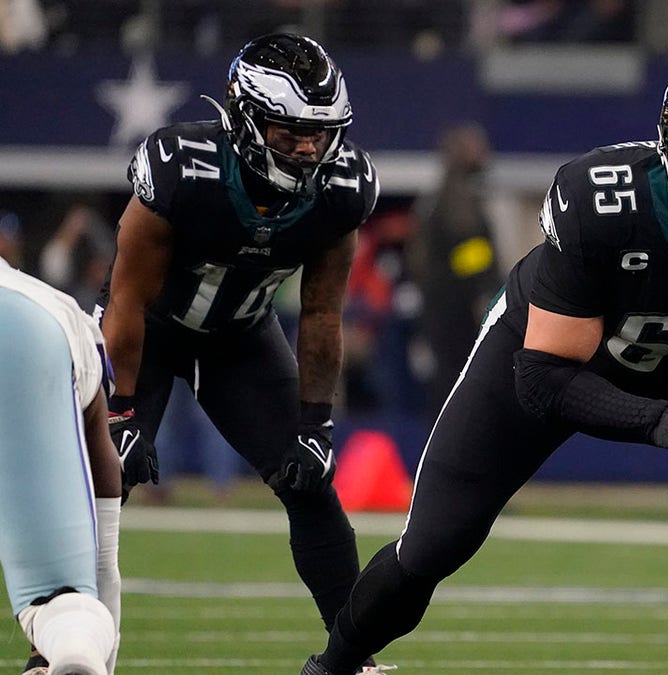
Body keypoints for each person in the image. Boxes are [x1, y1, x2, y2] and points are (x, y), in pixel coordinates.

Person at [300, 56, 668, 675]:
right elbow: (542, 379)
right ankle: (334, 665)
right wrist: (667, 423)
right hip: (555, 350)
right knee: (434, 543)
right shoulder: (603, 201)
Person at [96, 32, 382, 670]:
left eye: (320, 130)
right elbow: (126, 299)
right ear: (246, 116)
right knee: (100, 487)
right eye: (289, 131)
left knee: (311, 482)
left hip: (243, 338)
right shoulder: (181, 165)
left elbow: (321, 309)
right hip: (149, 331)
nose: (308, 146)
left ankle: (354, 658)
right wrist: (119, 410)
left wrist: (316, 422)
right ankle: (51, 652)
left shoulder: (341, 185)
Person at [0, 258, 122, 675]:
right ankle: (64, 648)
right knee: (58, 603)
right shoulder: (56, 309)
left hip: (25, 331)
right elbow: (104, 483)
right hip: (27, 328)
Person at [407, 122, 503, 420]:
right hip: (456, 310)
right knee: (458, 380)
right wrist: (483, 294)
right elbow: (471, 254)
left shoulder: (440, 196)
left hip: (440, 306)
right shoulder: (456, 199)